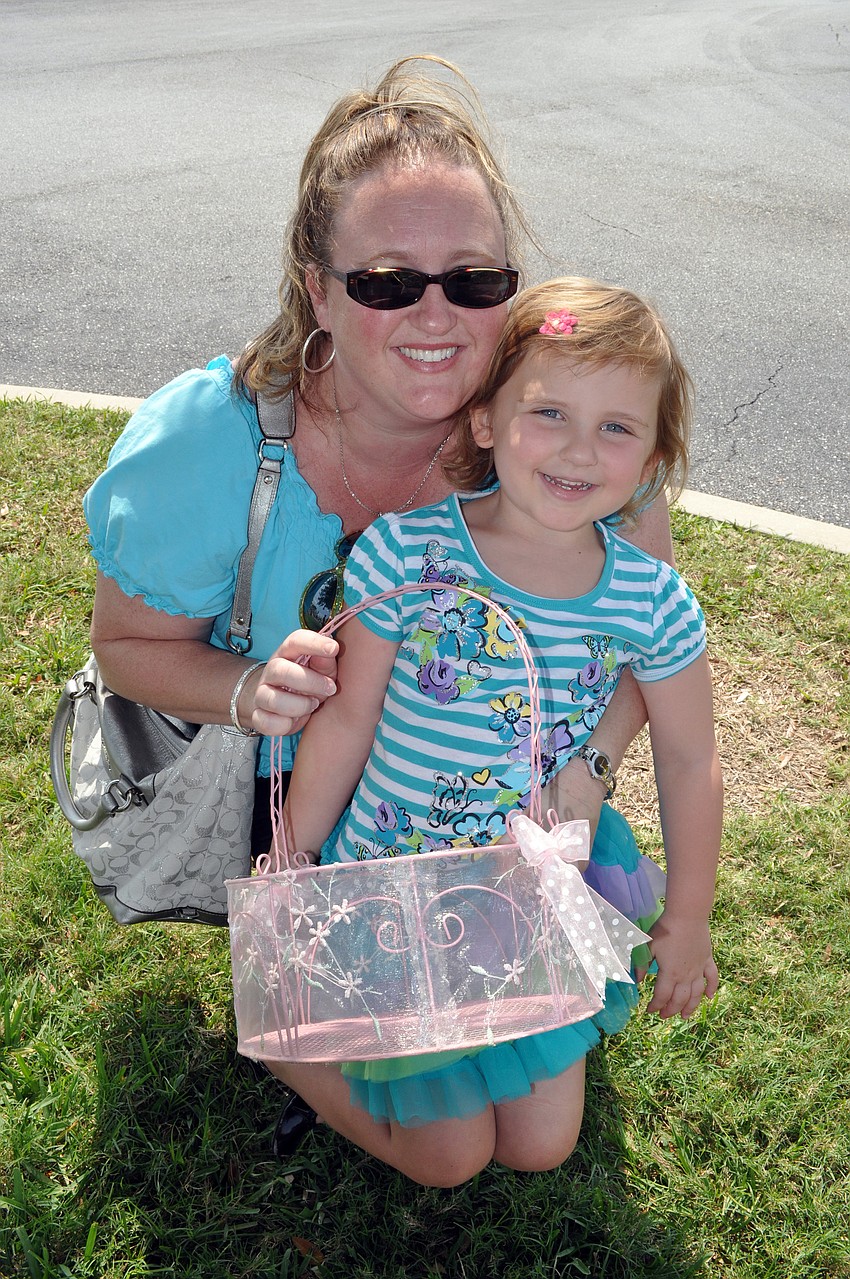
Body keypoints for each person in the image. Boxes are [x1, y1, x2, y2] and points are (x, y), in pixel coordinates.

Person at [82, 55, 674, 1156]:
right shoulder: (206, 444)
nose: (435, 315)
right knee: (448, 1156)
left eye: (474, 280)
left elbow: (644, 645)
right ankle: (280, 1010)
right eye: (387, 282)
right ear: (317, 289)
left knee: (534, 1140)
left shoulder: (563, 427)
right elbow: (125, 647)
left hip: (498, 815)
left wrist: (586, 766)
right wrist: (252, 687)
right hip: (304, 810)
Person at [275, 276, 722, 1186]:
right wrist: (293, 851)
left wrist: (689, 919)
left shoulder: (653, 600)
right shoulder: (407, 551)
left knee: (538, 1145)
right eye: (549, 412)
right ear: (485, 420)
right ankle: (290, 1051)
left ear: (652, 458)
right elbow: (349, 717)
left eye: (617, 428)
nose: (578, 450)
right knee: (449, 1156)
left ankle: (476, 1044)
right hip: (395, 886)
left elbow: (690, 759)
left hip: (527, 899)